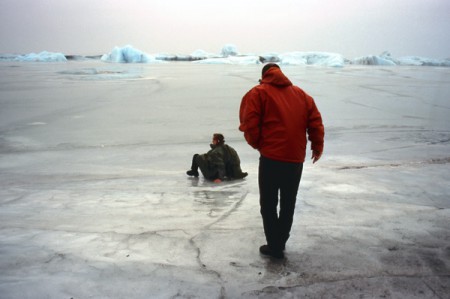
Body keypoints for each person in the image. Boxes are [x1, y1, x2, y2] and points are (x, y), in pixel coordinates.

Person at [239, 63, 324, 259]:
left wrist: (258, 144)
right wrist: (317, 146)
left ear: (264, 75)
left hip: (271, 158)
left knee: (268, 203)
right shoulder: (302, 95)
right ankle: (281, 241)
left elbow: (250, 123)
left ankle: (274, 245)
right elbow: (316, 123)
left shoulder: (258, 93)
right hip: (295, 159)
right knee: (288, 202)